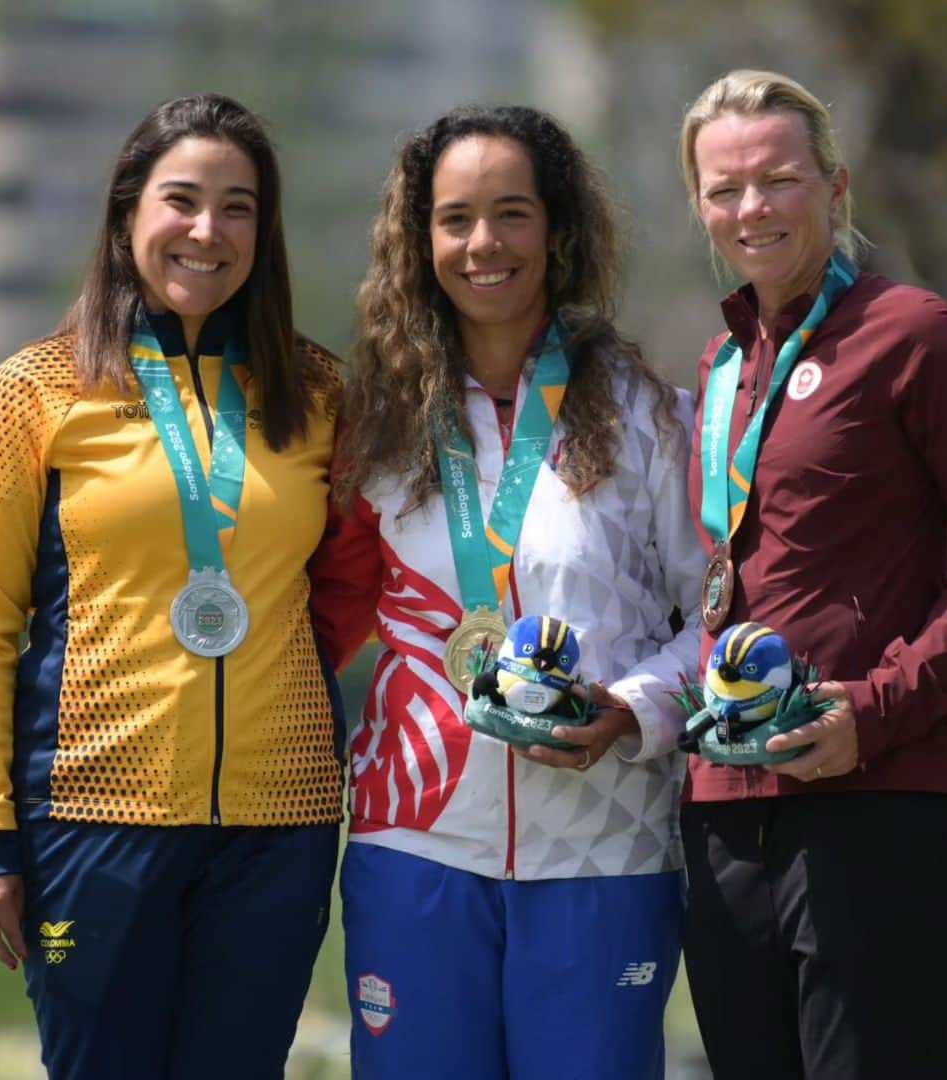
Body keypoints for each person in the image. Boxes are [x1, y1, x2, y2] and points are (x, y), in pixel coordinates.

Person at [0, 94, 348, 1079]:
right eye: (182, 200)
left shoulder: (321, 394)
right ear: (127, 215)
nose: (208, 231)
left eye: (239, 206)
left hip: (279, 826)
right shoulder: (35, 391)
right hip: (92, 812)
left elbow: (348, 591)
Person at [309, 103, 706, 1080]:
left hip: (606, 854)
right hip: (417, 846)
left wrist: (632, 707)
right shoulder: (376, 427)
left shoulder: (650, 417)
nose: (483, 243)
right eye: (455, 218)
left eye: (511, 213)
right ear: (421, 240)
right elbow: (317, 609)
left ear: (559, 229)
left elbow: (720, 619)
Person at [678, 68, 947, 1079]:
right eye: (725, 189)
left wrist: (875, 708)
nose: (751, 207)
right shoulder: (719, 366)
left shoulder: (916, 335)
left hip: (883, 798)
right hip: (727, 808)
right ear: (700, 205)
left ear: (836, 185)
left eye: (777, 179)